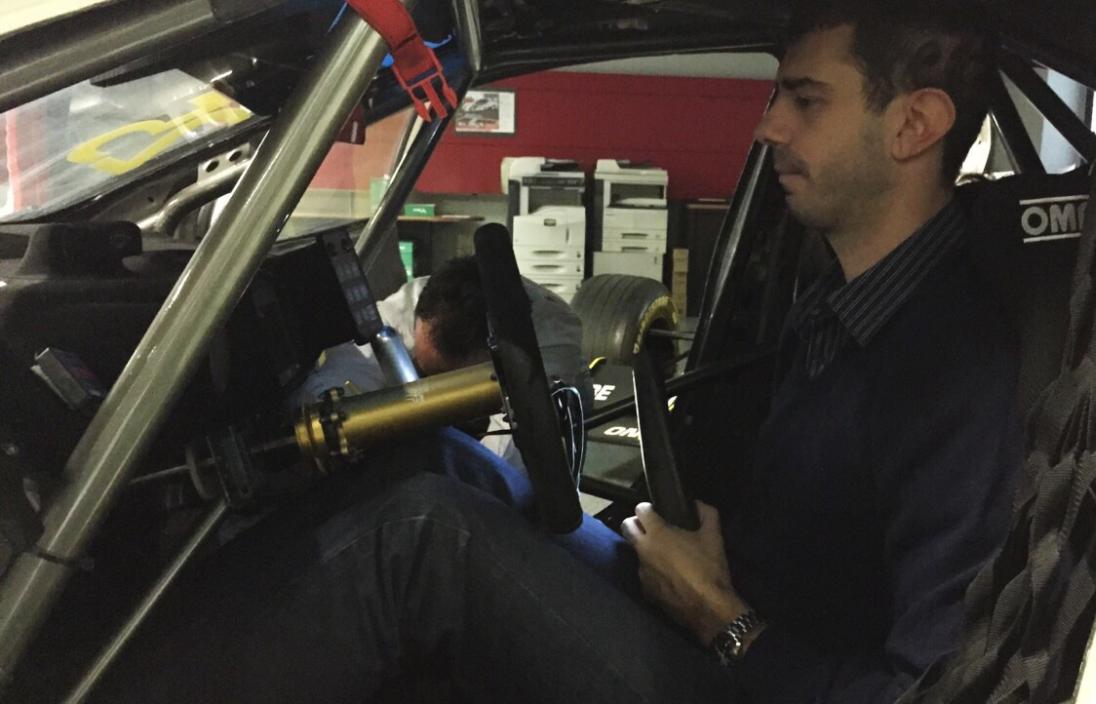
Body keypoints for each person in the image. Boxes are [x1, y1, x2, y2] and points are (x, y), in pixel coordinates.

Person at [97, 2, 1021, 702]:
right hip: (719, 620)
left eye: (806, 100)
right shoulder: (843, 305)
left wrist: (722, 619)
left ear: (914, 125)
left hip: (744, 667)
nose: (768, 124)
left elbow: (931, 687)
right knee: (436, 457)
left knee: (425, 537)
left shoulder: (952, 368)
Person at [293, 255, 592, 472]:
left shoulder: (548, 343)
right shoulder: (421, 302)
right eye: (426, 370)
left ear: (491, 352)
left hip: (536, 431)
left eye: (443, 374)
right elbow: (349, 367)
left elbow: (506, 468)